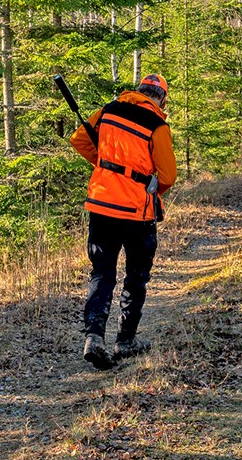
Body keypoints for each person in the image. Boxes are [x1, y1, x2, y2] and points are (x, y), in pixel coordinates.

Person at [70, 74, 177, 369]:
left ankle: (94, 337)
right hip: (136, 212)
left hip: (102, 205)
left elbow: (79, 139)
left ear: (139, 90)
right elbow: (168, 176)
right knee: (136, 277)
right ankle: (125, 341)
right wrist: (145, 184)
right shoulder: (157, 125)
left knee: (102, 273)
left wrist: (107, 167)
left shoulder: (108, 109)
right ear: (162, 98)